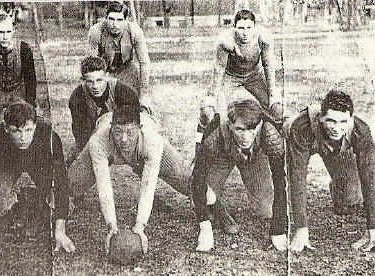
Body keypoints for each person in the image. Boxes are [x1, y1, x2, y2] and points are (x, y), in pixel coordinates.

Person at [68, 105, 198, 255]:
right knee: (68, 187)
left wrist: (140, 226)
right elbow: (104, 186)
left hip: (144, 148)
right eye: (118, 132)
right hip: (107, 142)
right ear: (111, 128)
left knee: (191, 183)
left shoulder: (152, 140)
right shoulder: (98, 141)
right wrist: (112, 226)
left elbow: (148, 186)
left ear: (139, 128)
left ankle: (217, 210)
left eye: (130, 132)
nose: (124, 139)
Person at [0, 101, 75, 255]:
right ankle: (25, 199)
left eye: (28, 130)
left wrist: (60, 229)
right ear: (7, 129)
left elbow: (60, 181)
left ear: (35, 126)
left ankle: (34, 199)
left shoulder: (49, 136)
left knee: (66, 205)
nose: (23, 137)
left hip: (38, 164)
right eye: (16, 131)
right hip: (9, 165)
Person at [191, 96, 288, 252]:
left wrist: (278, 229)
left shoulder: (270, 134)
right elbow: (197, 178)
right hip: (222, 155)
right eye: (240, 130)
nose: (246, 137)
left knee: (265, 209)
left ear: (260, 125)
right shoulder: (215, 134)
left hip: (254, 157)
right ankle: (219, 210)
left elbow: (280, 181)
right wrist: (205, 228)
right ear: (229, 125)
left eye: (252, 129)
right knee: (204, 198)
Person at [286, 90, 375, 252]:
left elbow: (369, 176)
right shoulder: (302, 127)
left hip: (336, 149)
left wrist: (373, 229)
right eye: (331, 121)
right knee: (264, 208)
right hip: (300, 143)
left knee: (351, 199)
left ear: (351, 119)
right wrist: (301, 228)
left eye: (343, 121)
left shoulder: (360, 130)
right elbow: (297, 175)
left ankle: (337, 185)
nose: (336, 127)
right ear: (321, 117)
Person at [197, 9, 282, 144]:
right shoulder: (226, 40)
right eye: (241, 28)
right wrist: (213, 95)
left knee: (277, 109)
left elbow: (268, 65)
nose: (245, 32)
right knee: (209, 112)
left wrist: (272, 93)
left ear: (255, 27)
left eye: (249, 28)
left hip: (254, 75)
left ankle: (277, 149)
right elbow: (219, 68)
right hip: (231, 76)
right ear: (234, 28)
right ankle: (201, 146)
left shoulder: (263, 37)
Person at [0, 14, 48, 131]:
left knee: (20, 125)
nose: (5, 37)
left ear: (14, 31)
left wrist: (30, 103)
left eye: (8, 32)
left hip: (18, 92)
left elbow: (30, 78)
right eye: (1, 32)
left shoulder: (24, 49)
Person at [69, 56, 139, 158]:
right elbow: (81, 134)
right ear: (83, 80)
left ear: (107, 76)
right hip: (94, 138)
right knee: (75, 164)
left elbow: (135, 124)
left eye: (99, 80)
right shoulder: (77, 97)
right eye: (90, 81)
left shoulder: (123, 91)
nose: (95, 86)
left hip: (122, 137)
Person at [87, 2, 152, 110]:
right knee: (98, 107)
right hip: (104, 70)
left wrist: (144, 93)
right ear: (106, 18)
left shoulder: (135, 31)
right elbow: (90, 64)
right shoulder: (96, 31)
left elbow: (144, 63)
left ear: (126, 20)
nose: (115, 24)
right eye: (111, 19)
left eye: (119, 20)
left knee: (136, 106)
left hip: (127, 69)